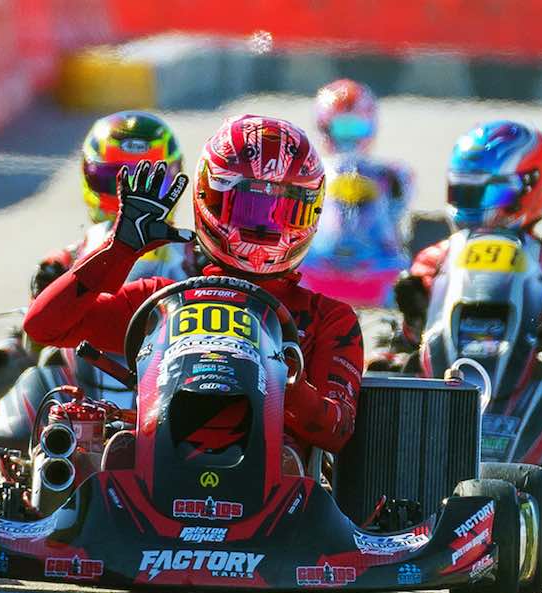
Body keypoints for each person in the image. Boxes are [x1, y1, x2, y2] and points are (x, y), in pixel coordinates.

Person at [24, 115, 363, 454]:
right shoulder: (162, 302)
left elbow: (337, 429)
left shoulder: (329, 318)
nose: (264, 228)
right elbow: (43, 327)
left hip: (276, 491)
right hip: (154, 481)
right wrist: (118, 251)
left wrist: (280, 379)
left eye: (284, 211)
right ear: (209, 197)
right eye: (248, 207)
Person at [393, 120, 542, 354]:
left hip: (541, 375)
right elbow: (413, 340)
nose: (476, 205)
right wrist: (417, 317)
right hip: (450, 376)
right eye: (465, 192)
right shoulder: (435, 260)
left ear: (531, 186)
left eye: (491, 193)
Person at [30, 111, 190, 299]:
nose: (134, 197)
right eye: (117, 181)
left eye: (149, 182)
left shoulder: (196, 257)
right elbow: (39, 325)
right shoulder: (63, 264)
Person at [313, 78, 412, 225]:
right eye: (342, 128)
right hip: (322, 244)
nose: (349, 137)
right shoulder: (312, 175)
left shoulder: (393, 175)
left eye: (356, 128)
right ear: (325, 127)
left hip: (377, 244)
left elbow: (397, 213)